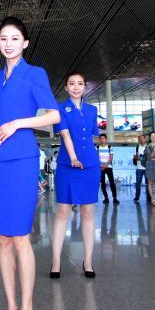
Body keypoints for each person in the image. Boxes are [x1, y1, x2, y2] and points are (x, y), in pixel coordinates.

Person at [0, 16, 60, 310]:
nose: (8, 43)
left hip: (22, 159)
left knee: (20, 237)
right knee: (1, 237)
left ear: (25, 43)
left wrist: (17, 124)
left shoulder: (34, 74)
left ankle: (28, 309)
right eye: (3, 38)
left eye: (15, 38)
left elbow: (53, 115)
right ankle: (11, 308)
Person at [51, 72, 99, 279]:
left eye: (80, 83)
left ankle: (87, 260)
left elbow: (91, 136)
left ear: (85, 86)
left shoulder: (92, 110)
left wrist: (84, 157)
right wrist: (72, 157)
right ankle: (55, 261)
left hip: (90, 164)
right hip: (67, 164)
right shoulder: (59, 109)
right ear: (66, 87)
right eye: (72, 83)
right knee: (63, 211)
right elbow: (65, 134)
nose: (76, 87)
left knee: (88, 212)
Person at [97, 135, 119, 204]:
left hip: (108, 167)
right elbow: (96, 158)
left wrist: (105, 165)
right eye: (101, 139)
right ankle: (106, 198)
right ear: (99, 140)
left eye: (104, 138)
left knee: (112, 182)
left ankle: (115, 198)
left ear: (106, 139)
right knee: (102, 183)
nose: (102, 140)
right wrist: (101, 166)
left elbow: (111, 158)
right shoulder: (97, 148)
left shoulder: (110, 147)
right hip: (100, 168)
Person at [132, 133, 148, 202]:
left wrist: (143, 158)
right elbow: (135, 156)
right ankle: (137, 197)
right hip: (139, 168)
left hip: (147, 168)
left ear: (145, 139)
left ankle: (149, 197)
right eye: (140, 139)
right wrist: (137, 157)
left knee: (148, 184)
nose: (141, 140)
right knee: (138, 183)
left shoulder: (148, 147)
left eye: (142, 138)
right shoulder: (137, 147)